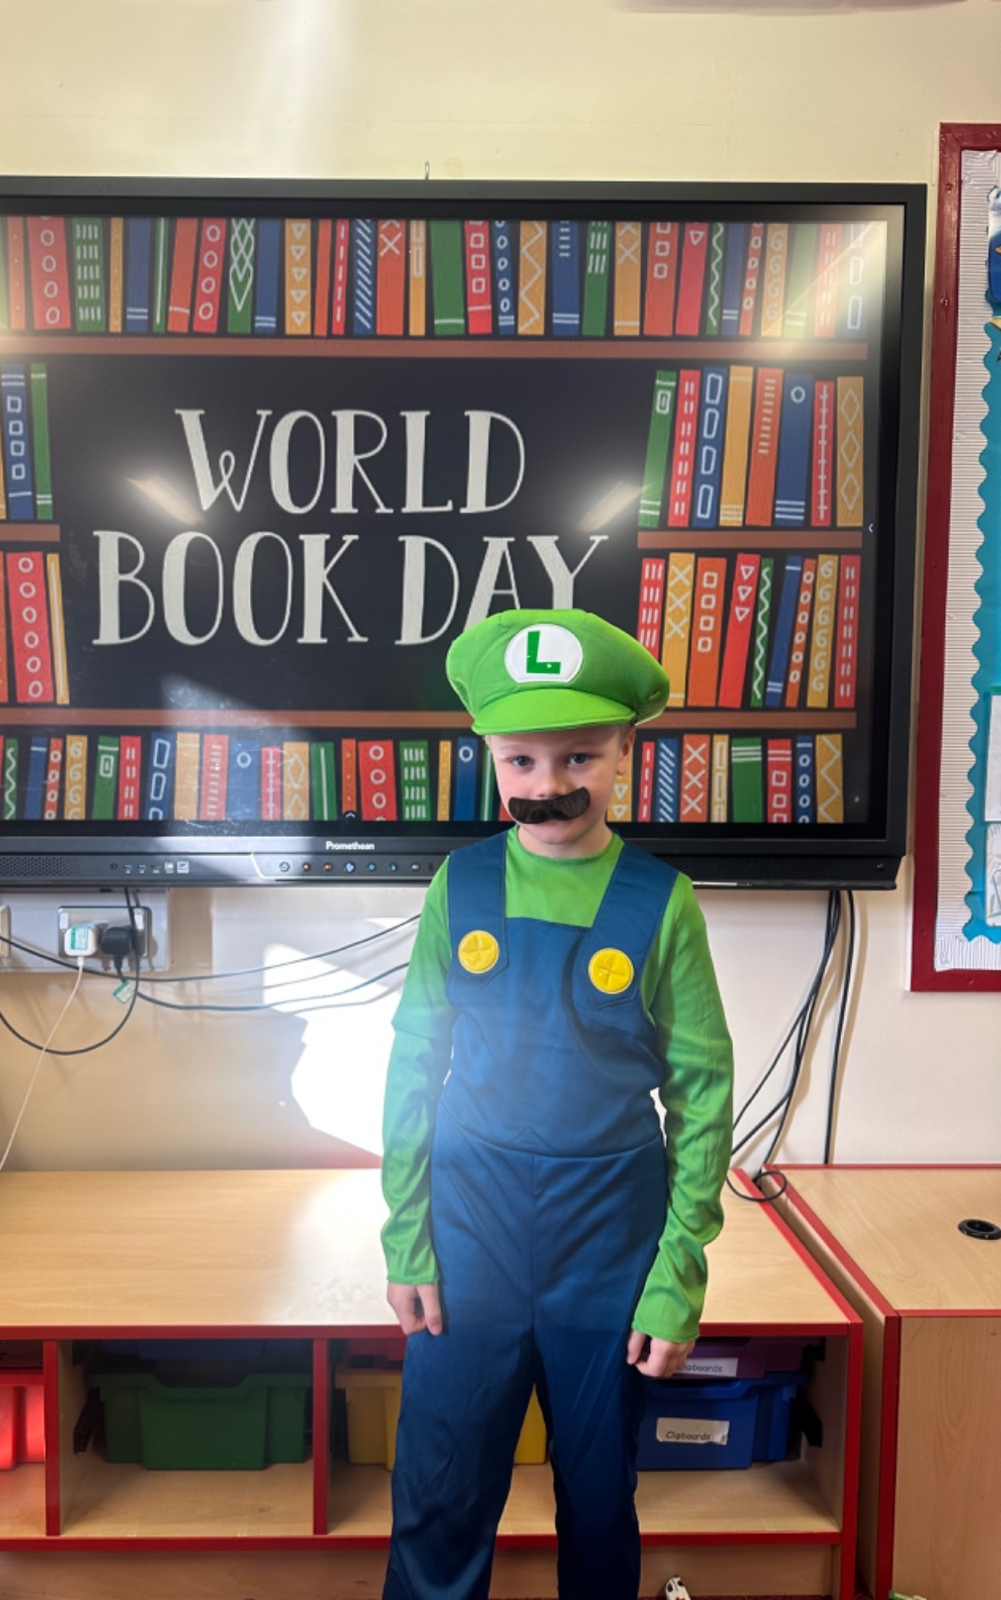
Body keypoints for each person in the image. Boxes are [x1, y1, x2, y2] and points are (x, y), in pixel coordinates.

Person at [380, 607, 734, 1600]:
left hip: (610, 1241)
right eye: (522, 761)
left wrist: (677, 1277)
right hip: (469, 1229)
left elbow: (703, 1093)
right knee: (442, 1482)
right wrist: (407, 1240)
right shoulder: (460, 885)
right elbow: (414, 1066)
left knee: (598, 1490)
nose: (549, 786)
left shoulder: (663, 902)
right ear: (491, 757)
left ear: (624, 752)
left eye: (580, 755)